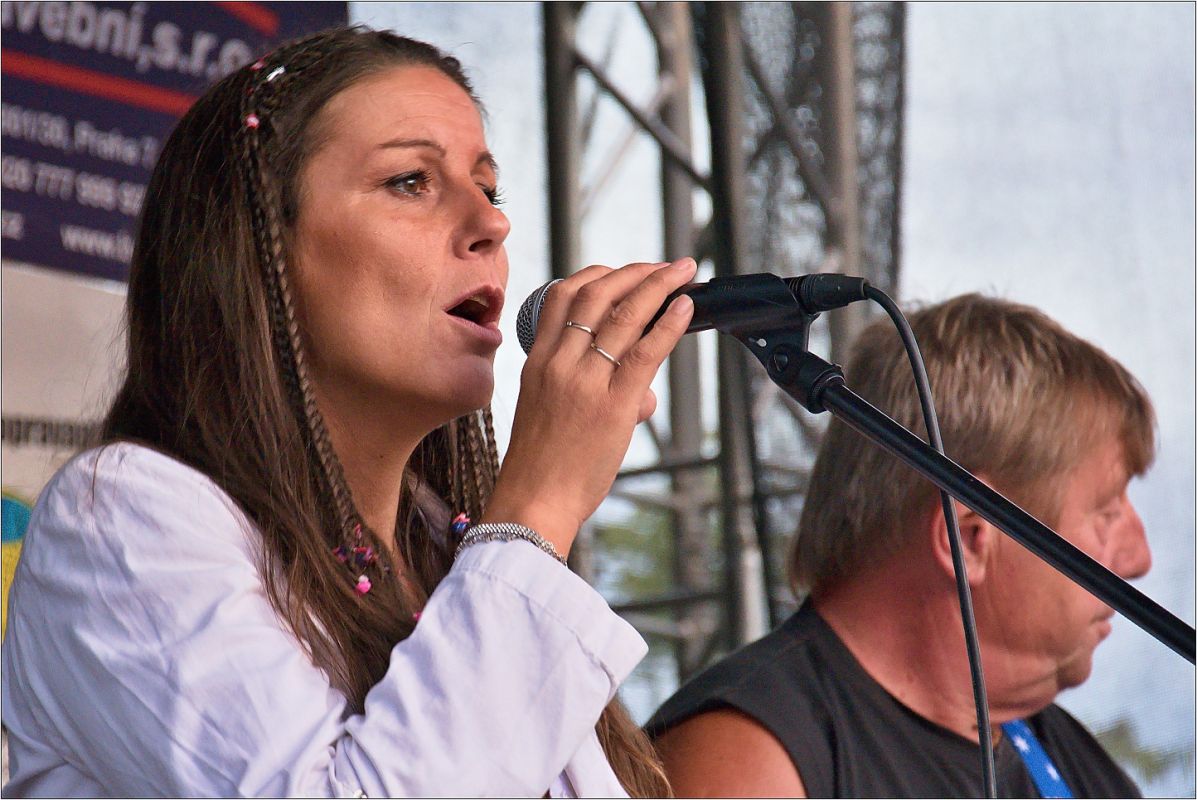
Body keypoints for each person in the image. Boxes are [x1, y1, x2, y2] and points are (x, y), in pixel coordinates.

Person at [1, 26, 700, 797]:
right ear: (258, 247)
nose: (492, 223)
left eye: (488, 188)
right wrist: (538, 508)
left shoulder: (446, 547)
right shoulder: (117, 521)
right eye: (410, 181)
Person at [647, 294, 1155, 797]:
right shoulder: (748, 762)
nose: (1139, 559)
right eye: (1106, 513)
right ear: (968, 539)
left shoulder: (1074, 763)